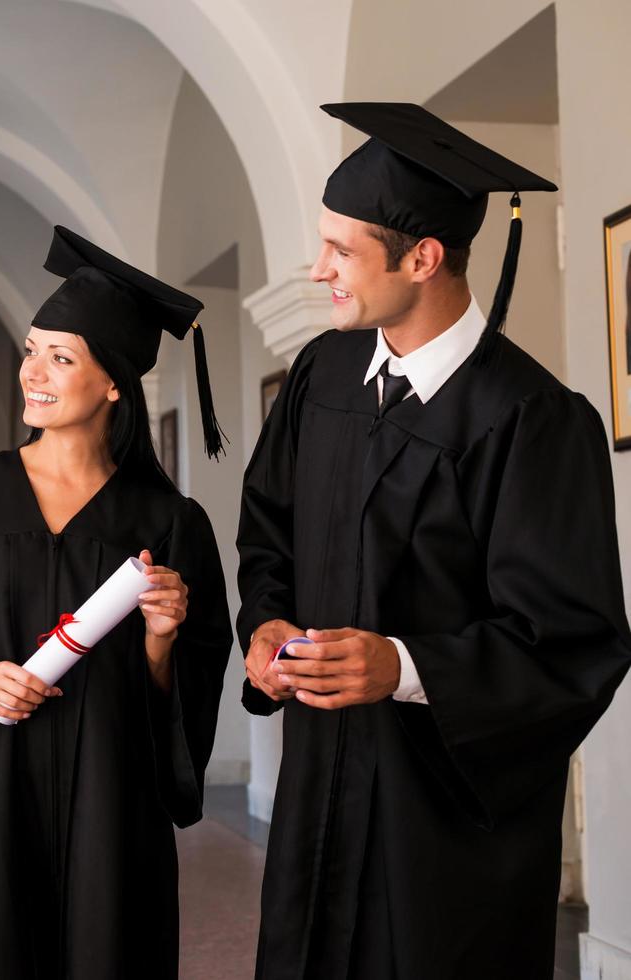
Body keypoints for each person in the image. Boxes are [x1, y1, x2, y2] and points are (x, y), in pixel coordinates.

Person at [237, 103, 631, 979]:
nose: (318, 269)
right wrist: (265, 625)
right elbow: (267, 530)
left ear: (420, 258)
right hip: (320, 792)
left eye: (341, 251)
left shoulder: (531, 420)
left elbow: (572, 642)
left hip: (443, 824)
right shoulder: (322, 376)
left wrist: (404, 667)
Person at [0, 225, 233, 979]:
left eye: (60, 356)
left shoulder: (168, 524)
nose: (32, 371)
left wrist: (161, 644)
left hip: (115, 795)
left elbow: (187, 698)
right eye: (31, 349)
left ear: (112, 384)